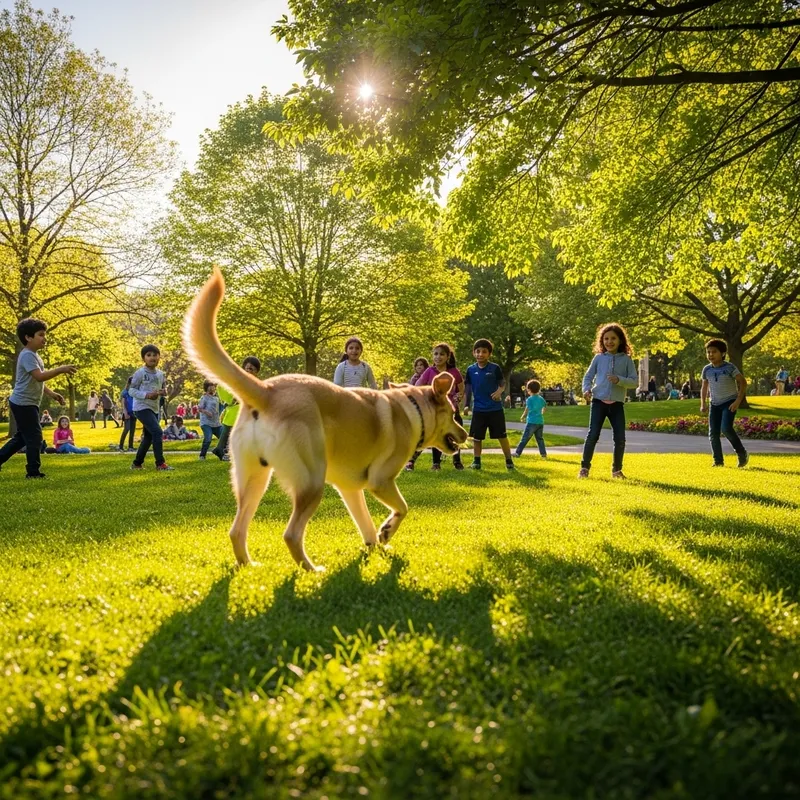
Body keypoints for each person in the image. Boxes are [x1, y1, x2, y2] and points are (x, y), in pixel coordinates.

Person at [0, 318, 76, 479]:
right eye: (40, 335)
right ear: (28, 337)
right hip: (23, 403)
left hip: (28, 403)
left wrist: (52, 394)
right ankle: (33, 472)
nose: (44, 338)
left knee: (22, 438)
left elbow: (37, 380)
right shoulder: (27, 355)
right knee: (35, 437)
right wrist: (61, 369)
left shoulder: (34, 356)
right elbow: (40, 376)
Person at [578, 323, 639, 480]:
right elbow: (588, 376)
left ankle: (616, 470)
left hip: (617, 404)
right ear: (601, 341)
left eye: (613, 338)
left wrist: (619, 380)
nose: (609, 342)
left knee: (620, 438)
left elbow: (634, 382)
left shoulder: (626, 360)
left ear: (620, 340)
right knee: (592, 435)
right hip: (598, 402)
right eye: (606, 339)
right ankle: (584, 468)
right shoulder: (599, 358)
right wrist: (586, 390)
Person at [405, 343, 464, 471]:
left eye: (442, 354)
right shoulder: (429, 371)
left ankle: (457, 461)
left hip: (451, 409)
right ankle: (429, 463)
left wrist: (459, 397)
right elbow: (418, 386)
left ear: (448, 356)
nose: (438, 357)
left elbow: (461, 388)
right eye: (435, 354)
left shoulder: (454, 371)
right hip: (433, 411)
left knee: (454, 434)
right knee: (430, 435)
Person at [463, 338, 514, 470]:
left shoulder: (494, 368)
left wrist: (499, 392)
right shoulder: (470, 370)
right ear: (474, 353)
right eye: (477, 351)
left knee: (502, 436)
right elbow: (468, 388)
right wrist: (467, 404)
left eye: (484, 352)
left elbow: (502, 383)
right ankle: (476, 462)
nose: (480, 354)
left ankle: (509, 461)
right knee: (476, 438)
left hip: (495, 409)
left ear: (489, 354)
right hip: (478, 410)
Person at [700, 339, 748, 468]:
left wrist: (738, 401)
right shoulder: (707, 370)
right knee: (713, 433)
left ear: (722, 353)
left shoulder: (729, 367)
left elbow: (743, 382)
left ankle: (741, 453)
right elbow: (704, 387)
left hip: (729, 402)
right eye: (708, 352)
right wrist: (703, 404)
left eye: (714, 352)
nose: (710, 355)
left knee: (726, 428)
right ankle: (718, 461)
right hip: (714, 404)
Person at [129, 344, 173, 471]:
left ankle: (137, 463)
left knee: (148, 437)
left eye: (155, 355)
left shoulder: (160, 374)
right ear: (144, 358)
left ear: (159, 357)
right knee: (158, 431)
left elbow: (163, 388)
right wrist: (147, 395)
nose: (152, 357)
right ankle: (160, 464)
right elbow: (131, 391)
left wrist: (164, 392)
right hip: (141, 407)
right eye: (149, 355)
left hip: (154, 408)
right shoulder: (140, 373)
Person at [213, 356, 261, 461]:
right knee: (231, 433)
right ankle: (222, 450)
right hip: (236, 411)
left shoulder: (254, 382)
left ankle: (220, 449)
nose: (248, 370)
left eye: (251, 369)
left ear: (256, 371)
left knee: (231, 432)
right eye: (247, 368)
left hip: (245, 412)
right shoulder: (241, 379)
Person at [514, 379, 547, 458]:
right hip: (540, 422)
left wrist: (523, 416)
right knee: (540, 439)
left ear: (529, 390)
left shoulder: (529, 399)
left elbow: (527, 409)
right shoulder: (541, 399)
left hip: (532, 422)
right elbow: (544, 408)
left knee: (525, 438)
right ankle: (543, 454)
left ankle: (517, 453)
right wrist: (541, 413)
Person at [198, 380, 222, 460]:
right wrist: (206, 412)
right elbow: (200, 408)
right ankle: (202, 456)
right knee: (208, 439)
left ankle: (221, 453)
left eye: (213, 386)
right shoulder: (204, 397)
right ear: (207, 388)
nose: (212, 387)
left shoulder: (216, 398)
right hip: (206, 423)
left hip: (216, 423)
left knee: (223, 438)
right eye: (210, 386)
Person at [119, 376, 136, 452]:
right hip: (127, 413)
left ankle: (130, 447)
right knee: (126, 429)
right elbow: (123, 402)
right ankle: (121, 446)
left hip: (134, 412)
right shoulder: (125, 391)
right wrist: (125, 412)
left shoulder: (135, 391)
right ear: (129, 382)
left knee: (132, 430)